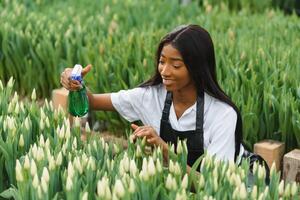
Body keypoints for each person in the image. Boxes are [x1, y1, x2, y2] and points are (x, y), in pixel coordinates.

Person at [60, 24, 245, 173]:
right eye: (162, 61)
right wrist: (76, 84)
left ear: (197, 68)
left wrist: (164, 151)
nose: (164, 71)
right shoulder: (151, 97)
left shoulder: (222, 114)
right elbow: (92, 102)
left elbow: (214, 186)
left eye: (176, 65)